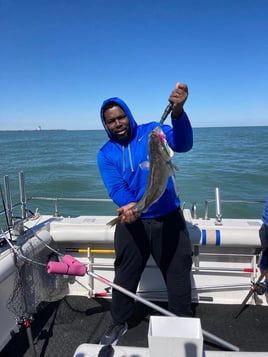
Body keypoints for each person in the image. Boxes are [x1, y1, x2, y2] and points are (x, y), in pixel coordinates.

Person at [97, 82, 193, 345]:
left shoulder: (154, 131)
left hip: (168, 219)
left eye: (121, 117)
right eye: (111, 121)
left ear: (129, 115)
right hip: (133, 223)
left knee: (178, 275)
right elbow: (116, 186)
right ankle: (119, 322)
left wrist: (178, 113)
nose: (117, 124)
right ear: (106, 125)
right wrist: (129, 206)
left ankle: (182, 325)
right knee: (125, 278)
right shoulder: (106, 154)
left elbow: (184, 144)